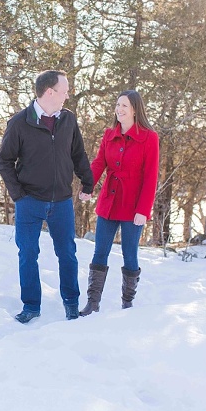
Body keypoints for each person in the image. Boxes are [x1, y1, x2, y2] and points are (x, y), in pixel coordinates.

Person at [0, 70, 94, 323]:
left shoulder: (68, 120)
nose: (68, 95)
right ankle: (31, 306)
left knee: (68, 254)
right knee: (28, 254)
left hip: (61, 201)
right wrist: (19, 196)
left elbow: (78, 154)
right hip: (30, 201)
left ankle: (71, 304)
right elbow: (5, 161)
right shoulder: (20, 123)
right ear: (50, 92)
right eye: (65, 90)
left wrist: (88, 181)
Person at [79, 89, 159, 315]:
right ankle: (92, 303)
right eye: (117, 105)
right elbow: (98, 164)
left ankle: (127, 304)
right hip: (109, 202)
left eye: (124, 105)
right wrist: (88, 186)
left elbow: (151, 176)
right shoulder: (109, 134)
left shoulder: (149, 137)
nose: (119, 109)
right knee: (99, 252)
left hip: (134, 207)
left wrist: (143, 209)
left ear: (135, 109)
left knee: (129, 253)